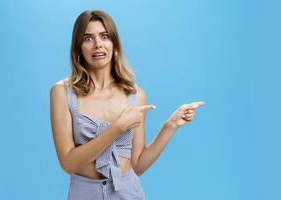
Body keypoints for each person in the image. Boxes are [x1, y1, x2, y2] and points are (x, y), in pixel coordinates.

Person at [50, 10, 205, 200]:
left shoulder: (136, 95)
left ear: (114, 44)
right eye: (88, 38)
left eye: (104, 36)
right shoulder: (62, 92)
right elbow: (68, 163)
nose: (98, 44)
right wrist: (117, 128)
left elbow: (138, 165)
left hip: (128, 193)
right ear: (78, 48)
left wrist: (170, 126)